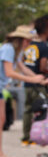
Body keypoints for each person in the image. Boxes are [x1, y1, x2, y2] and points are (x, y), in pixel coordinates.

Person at [0, 26, 47, 157]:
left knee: (1, 121)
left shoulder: (16, 51)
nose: (29, 44)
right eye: (28, 41)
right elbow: (9, 72)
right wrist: (32, 79)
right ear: (21, 40)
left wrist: (39, 79)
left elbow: (23, 68)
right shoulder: (8, 49)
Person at [21, 14, 48, 145]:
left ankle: (25, 137)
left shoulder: (29, 44)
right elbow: (43, 66)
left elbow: (22, 62)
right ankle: (36, 136)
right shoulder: (44, 47)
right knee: (39, 109)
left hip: (27, 82)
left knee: (27, 110)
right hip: (38, 82)